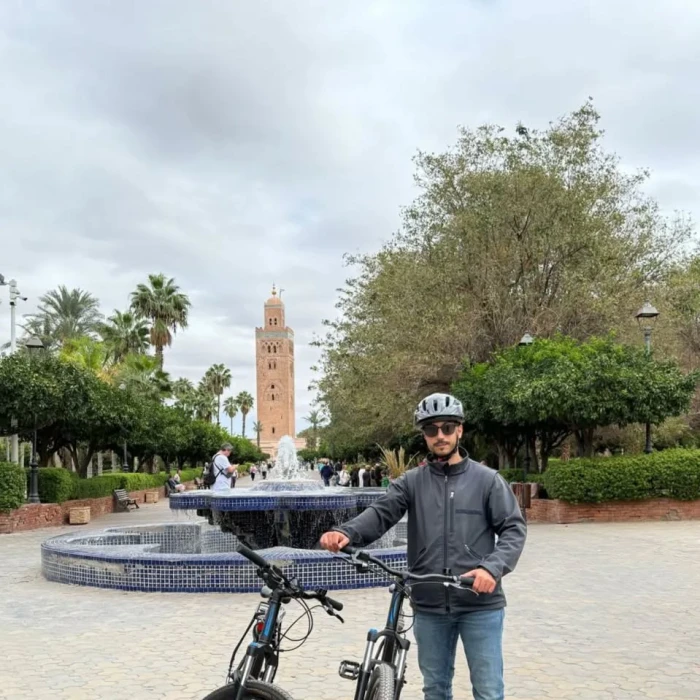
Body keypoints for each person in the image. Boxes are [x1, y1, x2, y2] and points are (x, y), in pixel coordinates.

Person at [320, 393, 526, 700]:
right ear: (424, 435)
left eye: (447, 427)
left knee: (488, 691)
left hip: (479, 603)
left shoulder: (488, 480)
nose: (440, 435)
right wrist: (346, 532)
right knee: (435, 690)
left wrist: (491, 568)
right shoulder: (411, 482)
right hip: (429, 605)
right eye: (431, 430)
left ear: (460, 430)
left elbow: (513, 529)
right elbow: (381, 512)